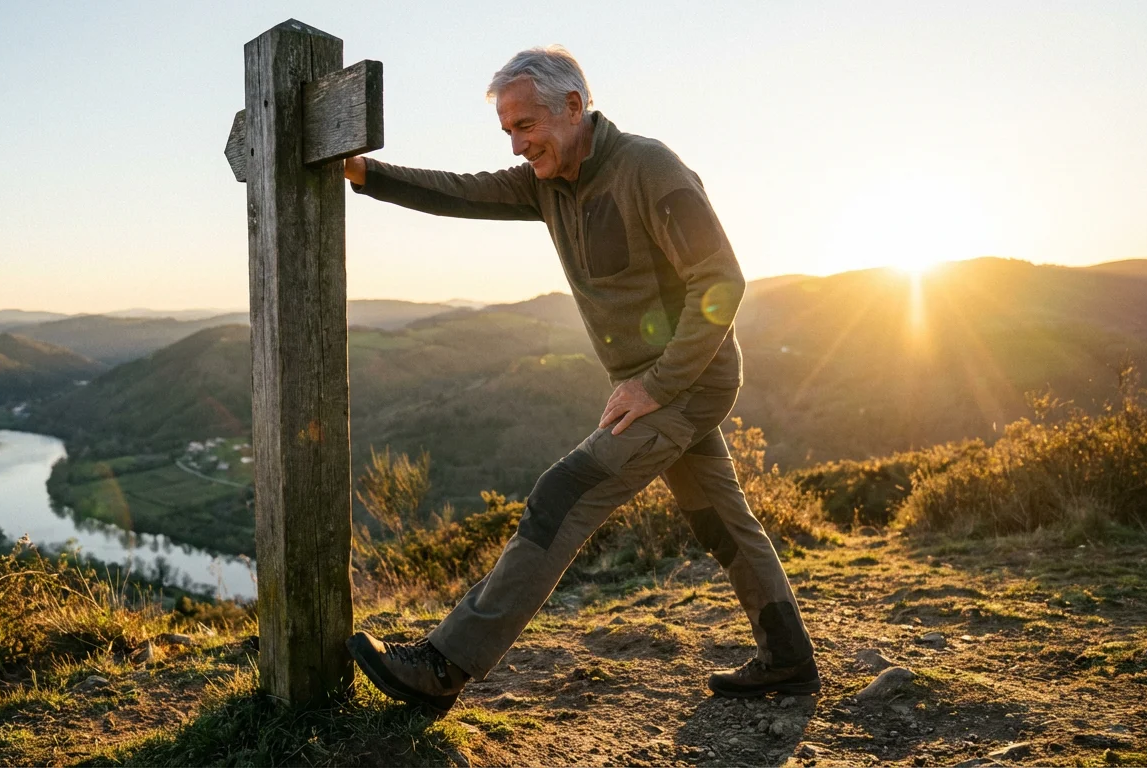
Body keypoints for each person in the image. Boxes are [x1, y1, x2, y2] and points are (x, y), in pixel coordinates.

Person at [344, 46, 818, 715]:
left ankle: (446, 663)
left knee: (561, 494)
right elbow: (460, 190)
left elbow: (722, 281)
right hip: (653, 383)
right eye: (507, 130)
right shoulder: (547, 181)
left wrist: (656, 385)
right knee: (720, 518)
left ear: (573, 105)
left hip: (690, 379)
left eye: (525, 124)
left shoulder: (648, 167)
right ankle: (789, 659)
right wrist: (365, 174)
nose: (516, 144)